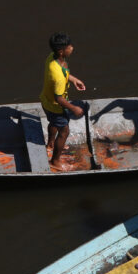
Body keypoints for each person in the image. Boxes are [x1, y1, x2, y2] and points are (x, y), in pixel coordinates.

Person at [40, 32, 87, 171]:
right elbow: (59, 98)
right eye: (69, 46)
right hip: (55, 107)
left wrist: (73, 80)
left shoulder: (52, 58)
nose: (72, 48)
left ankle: (50, 145)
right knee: (64, 131)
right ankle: (55, 161)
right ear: (62, 51)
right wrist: (74, 109)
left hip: (45, 100)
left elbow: (63, 73)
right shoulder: (58, 77)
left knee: (53, 123)